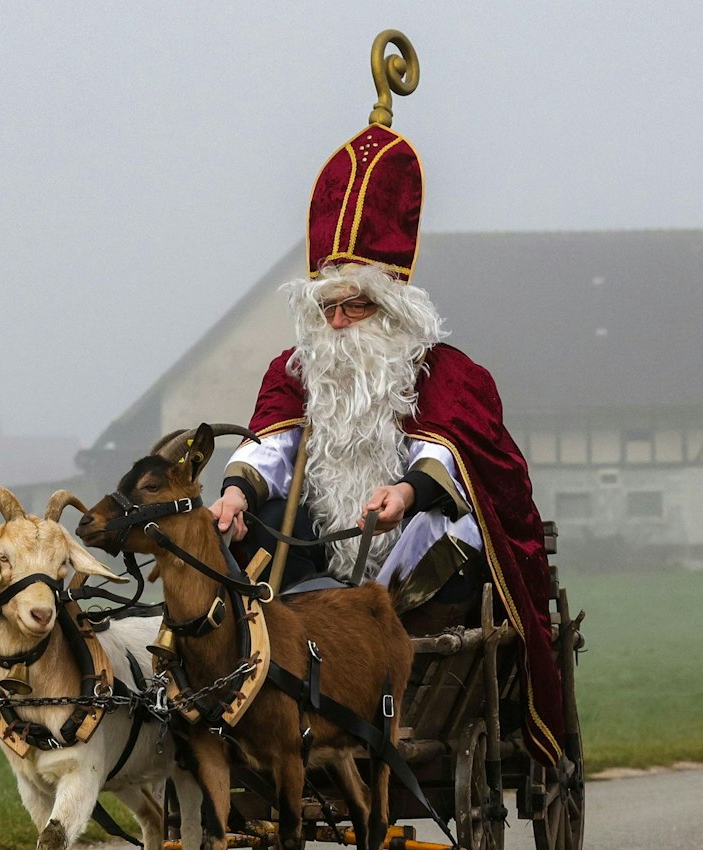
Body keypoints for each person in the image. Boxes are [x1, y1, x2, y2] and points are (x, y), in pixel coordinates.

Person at [207, 118, 567, 766]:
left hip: (416, 547)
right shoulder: (297, 369)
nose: (338, 325)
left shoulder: (451, 375)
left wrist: (406, 491)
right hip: (319, 550)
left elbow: (456, 457)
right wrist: (233, 492)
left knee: (443, 541)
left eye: (356, 307)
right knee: (251, 532)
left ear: (394, 308)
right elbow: (270, 446)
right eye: (327, 309)